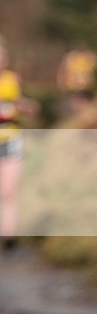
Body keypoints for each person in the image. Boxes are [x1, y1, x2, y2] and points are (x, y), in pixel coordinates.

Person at [0, 36, 39, 253]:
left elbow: (19, 102)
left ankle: (9, 238)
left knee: (9, 191)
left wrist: (28, 106)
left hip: (11, 138)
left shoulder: (12, 79)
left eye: (2, 55)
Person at [56, 44, 97, 114]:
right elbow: (62, 72)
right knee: (79, 108)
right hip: (75, 89)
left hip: (88, 88)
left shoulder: (91, 57)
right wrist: (62, 84)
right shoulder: (70, 58)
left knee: (87, 109)